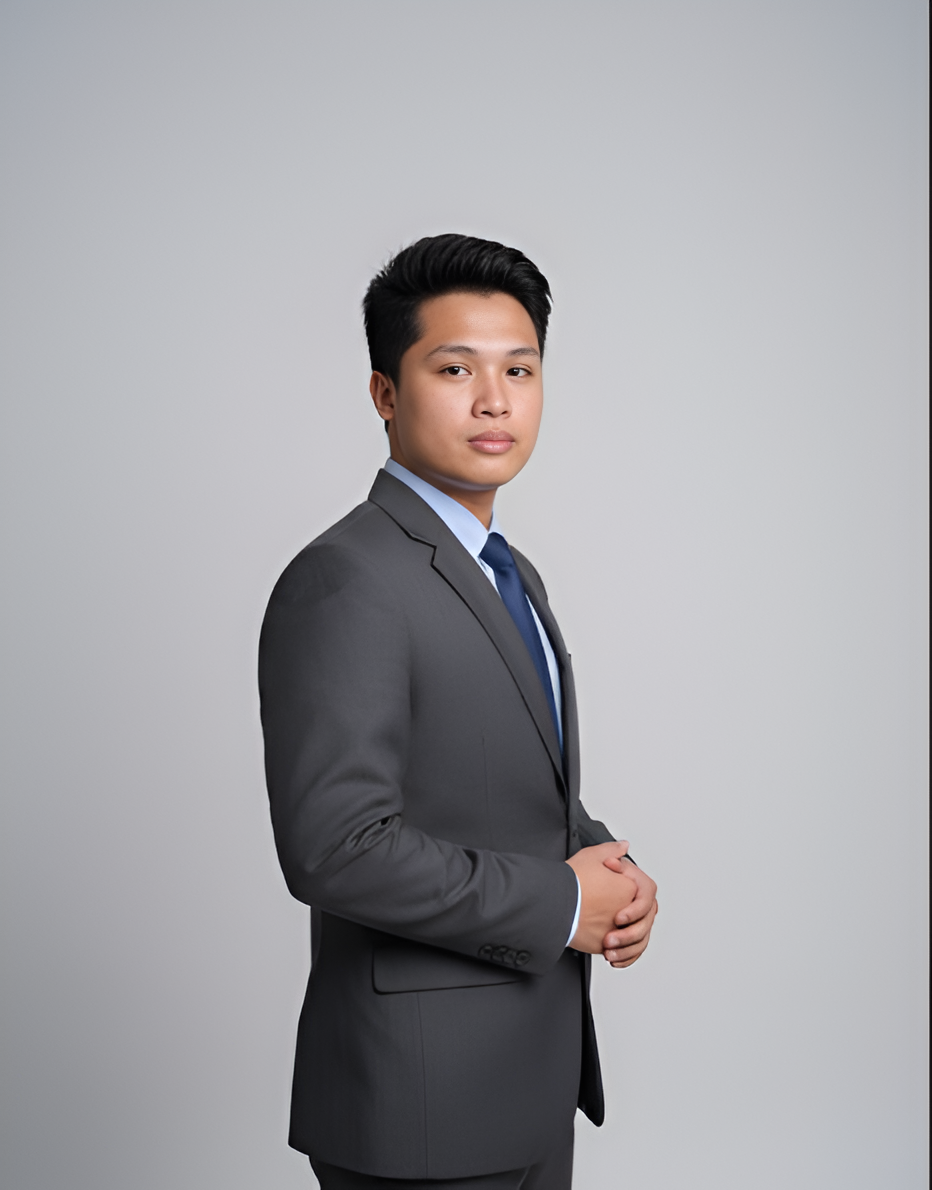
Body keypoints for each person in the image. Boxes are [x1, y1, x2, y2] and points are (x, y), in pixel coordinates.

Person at [258, 234, 659, 1189]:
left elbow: (500, 783)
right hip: (421, 1103)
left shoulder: (505, 571)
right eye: (455, 369)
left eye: (520, 369)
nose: (495, 400)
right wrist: (564, 905)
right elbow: (335, 846)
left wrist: (607, 864)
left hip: (522, 1077)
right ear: (385, 393)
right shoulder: (348, 580)